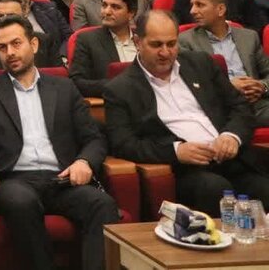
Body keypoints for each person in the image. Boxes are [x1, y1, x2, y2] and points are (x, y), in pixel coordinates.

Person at [0, 15, 120, 270]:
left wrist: (84, 162)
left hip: (62, 179)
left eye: (16, 43)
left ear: (33, 45)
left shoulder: (64, 88)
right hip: (14, 180)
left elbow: (93, 138)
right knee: (21, 203)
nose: (10, 53)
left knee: (102, 204)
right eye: (2, 47)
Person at [104, 11, 269, 215]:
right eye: (156, 45)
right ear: (138, 42)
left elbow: (240, 106)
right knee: (215, 189)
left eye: (171, 44)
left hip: (231, 160)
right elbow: (123, 144)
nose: (165, 52)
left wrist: (231, 136)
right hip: (185, 170)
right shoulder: (120, 89)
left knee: (264, 189)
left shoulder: (201, 64)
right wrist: (176, 151)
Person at [179, 0, 269, 125]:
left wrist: (262, 86)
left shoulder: (249, 37)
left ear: (220, 9)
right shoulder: (185, 41)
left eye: (200, 5)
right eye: (192, 5)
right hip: (219, 108)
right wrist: (228, 87)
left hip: (256, 105)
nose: (192, 11)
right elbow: (191, 85)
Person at [69, 0, 140, 97]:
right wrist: (118, 86)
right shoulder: (87, 40)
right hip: (110, 102)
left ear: (131, 13)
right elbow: (77, 83)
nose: (107, 12)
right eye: (104, 5)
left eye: (115, 7)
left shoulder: (143, 39)